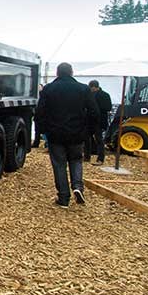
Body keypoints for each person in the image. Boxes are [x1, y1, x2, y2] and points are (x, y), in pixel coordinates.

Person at [35, 63, 99, 208]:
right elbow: (94, 112)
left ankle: (63, 197)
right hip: (77, 133)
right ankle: (77, 186)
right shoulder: (83, 89)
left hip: (55, 133)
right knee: (76, 160)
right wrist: (88, 131)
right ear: (72, 72)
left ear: (57, 73)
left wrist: (44, 130)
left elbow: (40, 112)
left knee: (59, 164)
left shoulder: (49, 89)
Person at [85, 80, 112, 165]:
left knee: (98, 139)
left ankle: (99, 158)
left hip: (98, 120)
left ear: (93, 87)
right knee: (88, 139)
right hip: (91, 120)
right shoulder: (105, 95)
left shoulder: (103, 95)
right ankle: (87, 156)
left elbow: (108, 107)